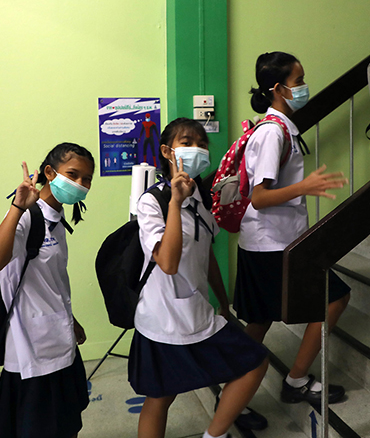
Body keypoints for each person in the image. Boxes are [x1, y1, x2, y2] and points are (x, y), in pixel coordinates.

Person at [130, 118, 269, 438]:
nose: (197, 149)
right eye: (187, 142)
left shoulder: (201, 200)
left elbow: (206, 255)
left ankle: (214, 434)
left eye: (202, 144)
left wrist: (223, 301)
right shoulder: (152, 202)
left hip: (197, 311)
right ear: (167, 151)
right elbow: (167, 263)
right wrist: (175, 203)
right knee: (161, 397)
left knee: (254, 363)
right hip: (162, 318)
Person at [235, 51, 350, 407]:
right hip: (272, 244)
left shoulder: (278, 127)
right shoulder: (272, 132)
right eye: (298, 81)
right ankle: (296, 380)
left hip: (264, 241)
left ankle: (230, 394)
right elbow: (259, 197)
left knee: (259, 320)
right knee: (335, 298)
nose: (303, 87)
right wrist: (305, 186)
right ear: (278, 89)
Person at [0, 143, 94, 438]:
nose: (80, 184)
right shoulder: (27, 217)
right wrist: (18, 207)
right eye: (73, 174)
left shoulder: (56, 220)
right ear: (50, 172)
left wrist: (71, 320)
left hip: (60, 342)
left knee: (67, 423)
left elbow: (51, 281)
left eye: (87, 179)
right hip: (32, 352)